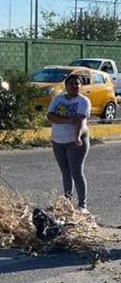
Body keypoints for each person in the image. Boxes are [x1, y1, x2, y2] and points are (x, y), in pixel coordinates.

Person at [47, 74, 91, 215]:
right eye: (71, 83)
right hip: (58, 140)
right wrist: (66, 120)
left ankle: (82, 205)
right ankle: (68, 202)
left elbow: (79, 120)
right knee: (65, 173)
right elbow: (50, 115)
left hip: (75, 142)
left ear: (81, 86)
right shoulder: (58, 99)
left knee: (76, 172)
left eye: (77, 84)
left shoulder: (83, 101)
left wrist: (77, 137)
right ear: (66, 86)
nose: (74, 86)